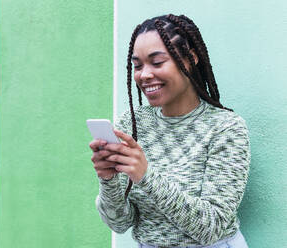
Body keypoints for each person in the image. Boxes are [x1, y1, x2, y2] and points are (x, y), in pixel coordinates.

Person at [89, 14, 250, 248]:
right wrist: (109, 180)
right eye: (137, 65)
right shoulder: (132, 124)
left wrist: (145, 176)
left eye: (157, 62)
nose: (144, 75)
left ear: (190, 59)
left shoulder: (226, 128)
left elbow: (211, 227)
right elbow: (121, 223)